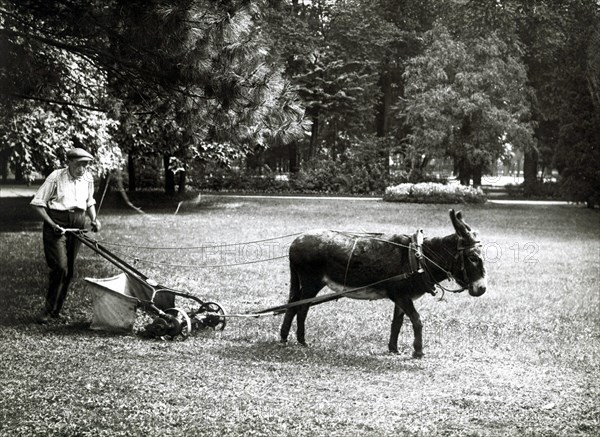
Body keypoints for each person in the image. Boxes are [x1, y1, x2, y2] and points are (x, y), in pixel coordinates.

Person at [30, 147, 102, 323]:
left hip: (78, 223)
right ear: (69, 162)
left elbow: (89, 201)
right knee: (60, 267)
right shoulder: (56, 177)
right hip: (57, 223)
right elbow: (37, 203)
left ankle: (56, 311)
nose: (82, 169)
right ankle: (47, 311)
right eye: (79, 165)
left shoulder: (87, 178)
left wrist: (94, 219)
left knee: (69, 270)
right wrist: (52, 224)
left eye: (86, 165)